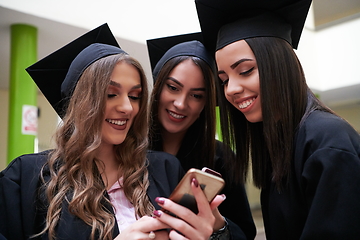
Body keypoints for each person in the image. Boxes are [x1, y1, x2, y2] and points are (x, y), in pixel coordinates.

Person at [0, 24, 224, 240]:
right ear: (81, 101)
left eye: (135, 96)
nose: (127, 107)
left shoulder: (163, 168)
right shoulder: (26, 177)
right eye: (111, 94)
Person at [195, 0, 360, 239]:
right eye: (224, 79)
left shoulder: (326, 141)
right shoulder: (280, 145)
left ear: (279, 65)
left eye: (245, 71)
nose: (230, 89)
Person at [147, 33, 256, 240]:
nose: (180, 103)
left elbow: (244, 233)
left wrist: (218, 225)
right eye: (173, 87)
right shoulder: (127, 149)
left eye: (196, 95)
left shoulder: (220, 158)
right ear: (158, 87)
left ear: (206, 103)